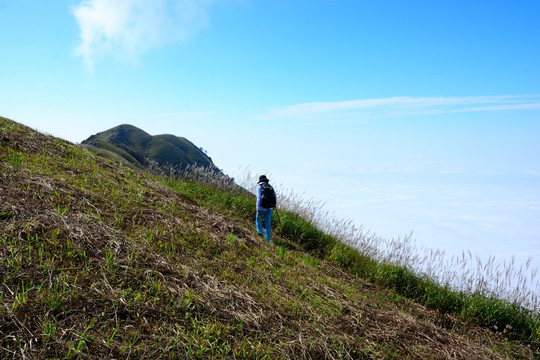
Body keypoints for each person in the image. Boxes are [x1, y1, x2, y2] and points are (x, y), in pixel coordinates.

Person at [256, 175, 276, 242]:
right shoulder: (271, 187)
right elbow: (275, 197)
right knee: (268, 224)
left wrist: (257, 209)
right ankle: (267, 239)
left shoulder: (259, 187)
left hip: (261, 208)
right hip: (269, 208)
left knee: (258, 219)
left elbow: (259, 198)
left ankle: (259, 232)